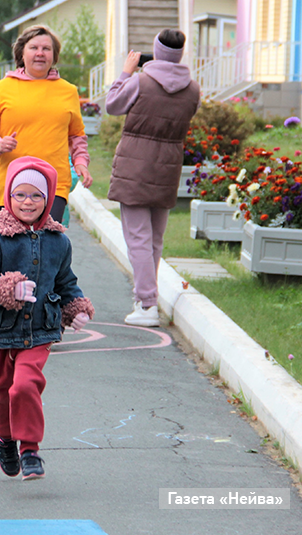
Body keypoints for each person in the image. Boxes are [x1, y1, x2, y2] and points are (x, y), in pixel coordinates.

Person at [0, 156, 94, 481]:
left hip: (39, 329)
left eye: (37, 196)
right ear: (8, 196)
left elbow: (66, 282)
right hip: (0, 330)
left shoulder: (59, 241)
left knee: (25, 385)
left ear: (48, 199)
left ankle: (30, 450)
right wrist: (7, 288)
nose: (28, 202)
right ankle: (6, 439)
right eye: (20, 195)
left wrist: (76, 307)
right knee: (1, 390)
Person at [105, 30, 200, 327]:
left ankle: (147, 304)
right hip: (168, 165)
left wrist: (125, 73)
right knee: (154, 239)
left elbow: (112, 105)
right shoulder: (193, 89)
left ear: (156, 52)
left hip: (135, 164)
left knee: (137, 238)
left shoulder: (140, 81)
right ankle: (146, 298)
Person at [0, 25, 93, 224]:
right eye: (34, 48)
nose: (40, 53)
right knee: (14, 243)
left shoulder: (68, 91)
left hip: (54, 185)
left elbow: (76, 136)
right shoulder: (1, 89)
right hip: (13, 186)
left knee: (46, 241)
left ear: (54, 56)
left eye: (46, 49)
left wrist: (80, 161)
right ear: (22, 53)